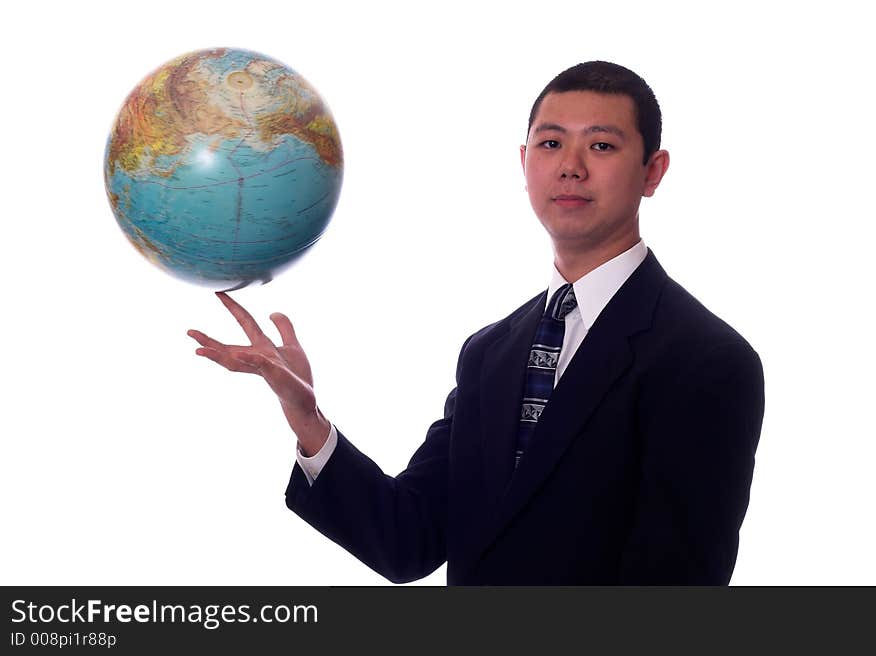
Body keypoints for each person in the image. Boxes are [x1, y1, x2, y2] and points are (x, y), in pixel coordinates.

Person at [188, 61, 765, 585]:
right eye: (550, 143)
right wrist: (306, 417)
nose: (570, 167)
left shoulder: (705, 360)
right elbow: (408, 539)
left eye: (603, 145)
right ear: (524, 162)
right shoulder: (491, 354)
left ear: (652, 171)